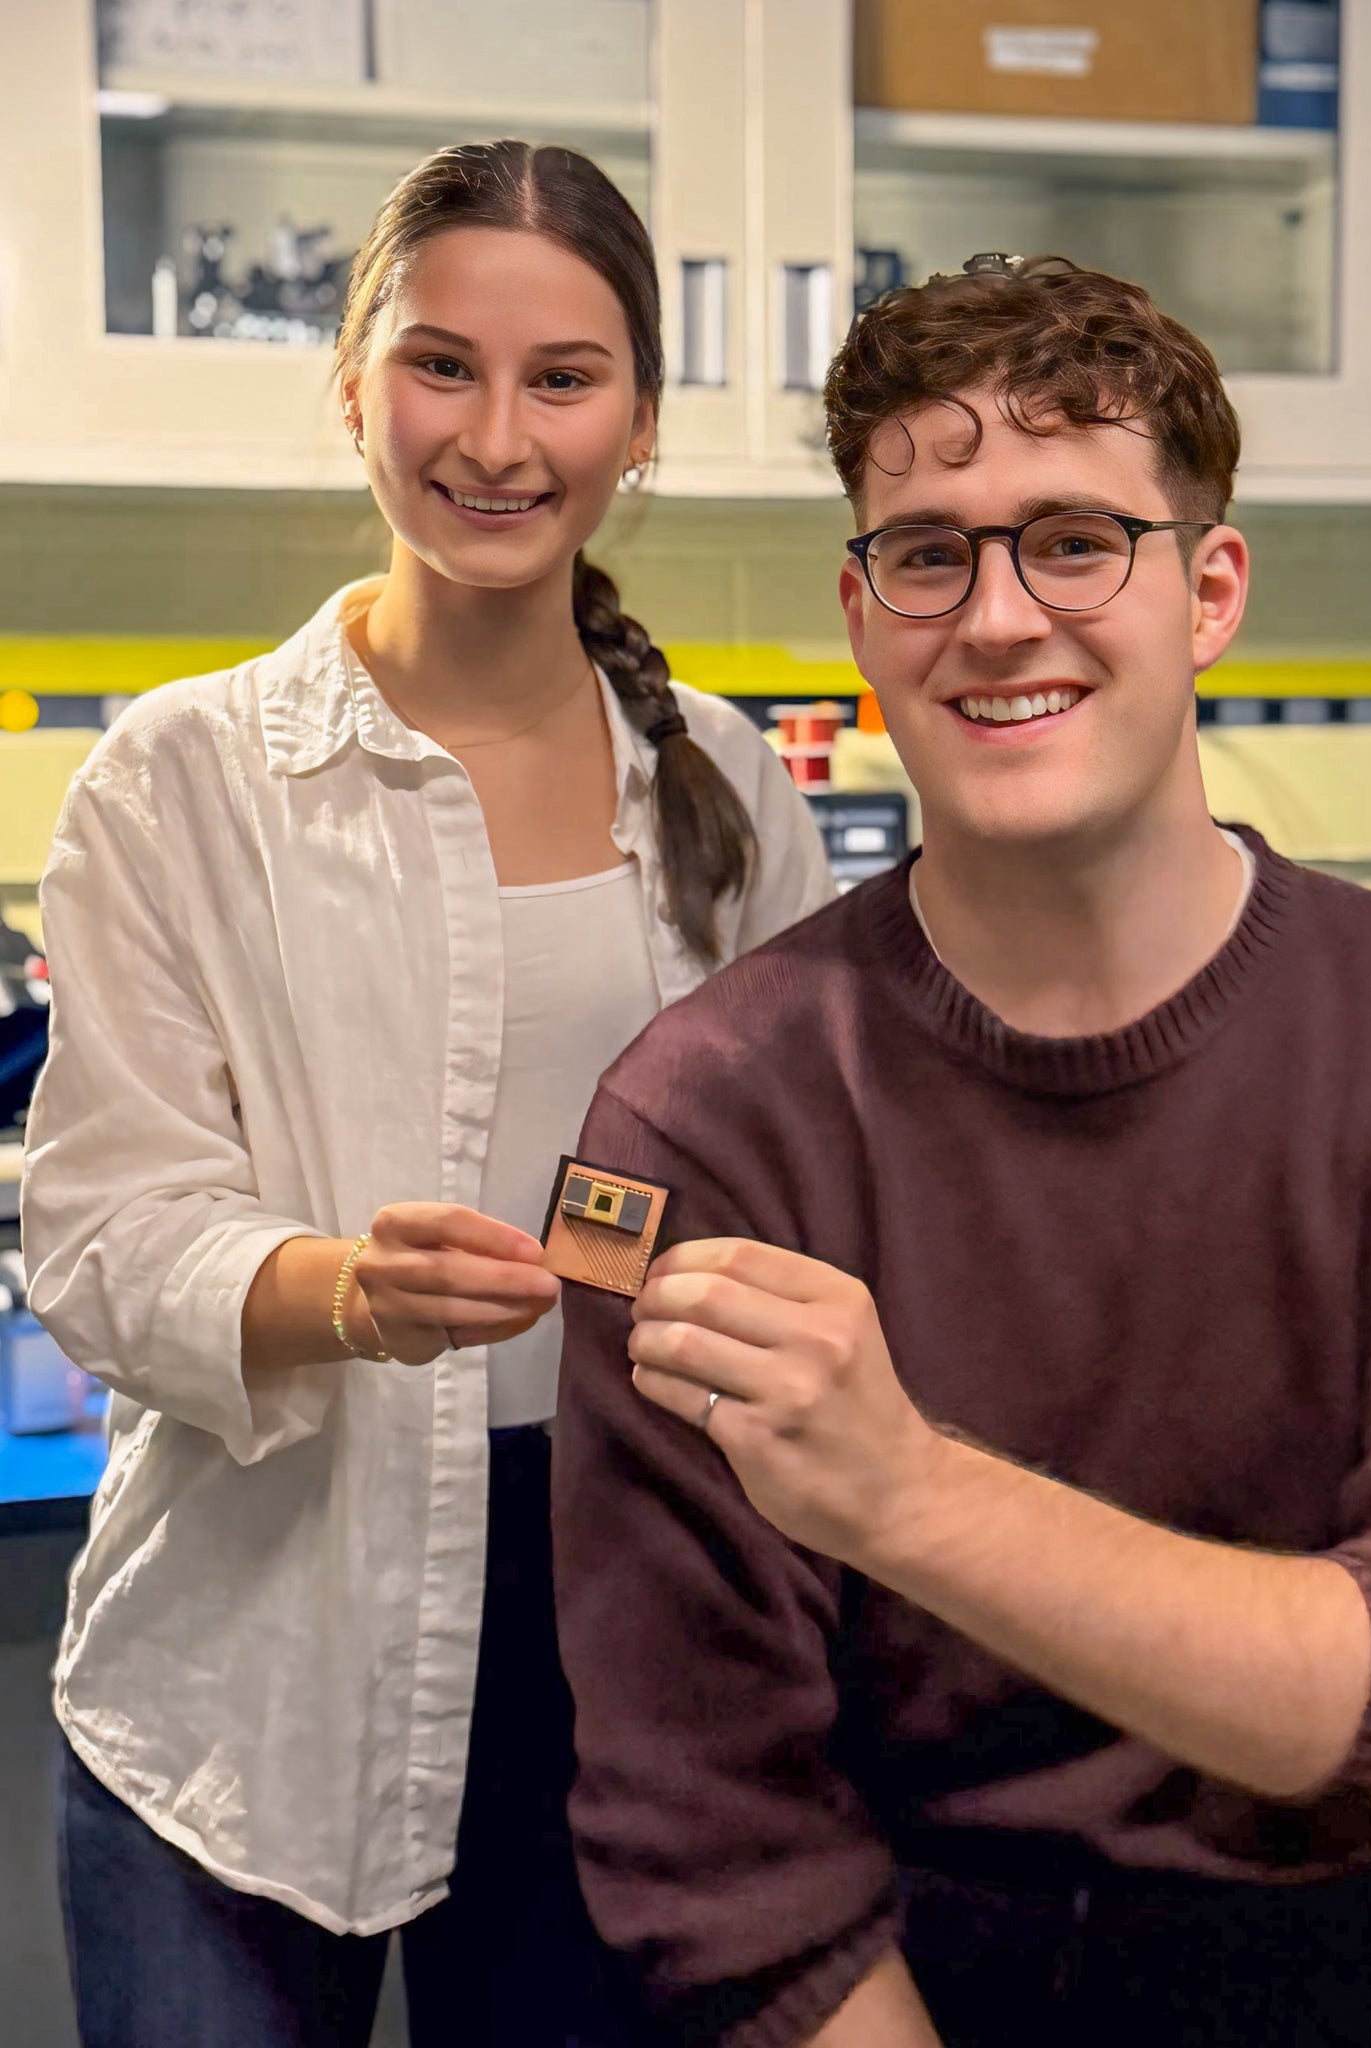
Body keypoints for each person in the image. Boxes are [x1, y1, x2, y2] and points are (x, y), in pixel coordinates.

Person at [550, 254, 1371, 2048]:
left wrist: (905, 1491)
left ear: (1211, 587)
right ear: (862, 615)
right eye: (931, 551)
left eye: (1075, 539)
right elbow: (712, 1836)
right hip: (921, 1983)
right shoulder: (696, 1128)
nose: (998, 619)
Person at [23, 139, 832, 2048]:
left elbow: (816, 1203)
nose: (497, 434)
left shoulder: (732, 786)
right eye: (441, 366)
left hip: (620, 1653)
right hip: (246, 1677)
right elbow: (101, 1237)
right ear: (356, 383)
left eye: (564, 377)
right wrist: (343, 1296)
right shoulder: (179, 780)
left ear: (640, 419)